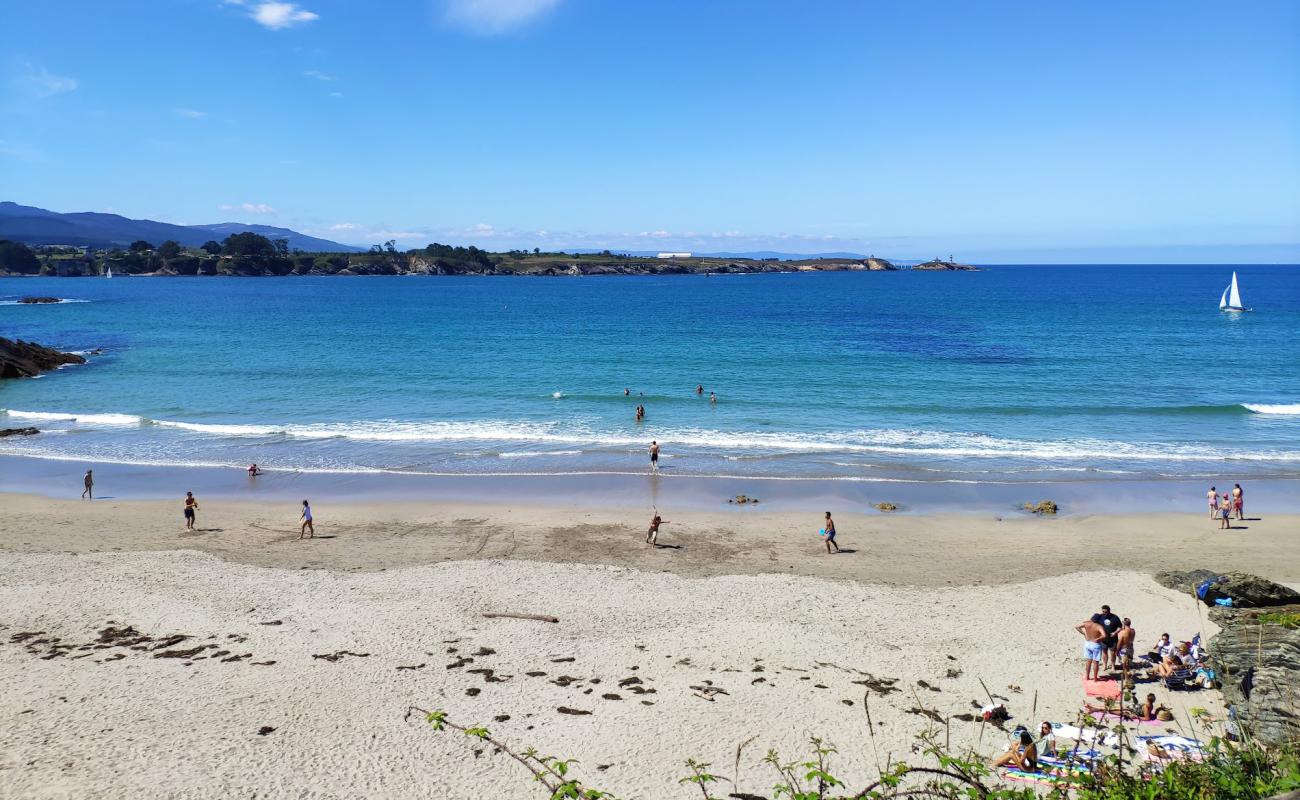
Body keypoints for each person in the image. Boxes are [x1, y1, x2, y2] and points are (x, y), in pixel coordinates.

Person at [1091, 605, 1122, 671]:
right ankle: (1105, 665)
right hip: (1103, 639)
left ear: (1109, 611)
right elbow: (1092, 622)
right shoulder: (1100, 617)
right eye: (1103, 611)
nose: (1104, 613)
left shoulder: (1115, 617)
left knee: (1112, 653)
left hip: (1112, 639)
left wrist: (1115, 633)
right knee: (1104, 652)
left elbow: (1120, 627)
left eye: (1106, 612)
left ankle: (1113, 665)